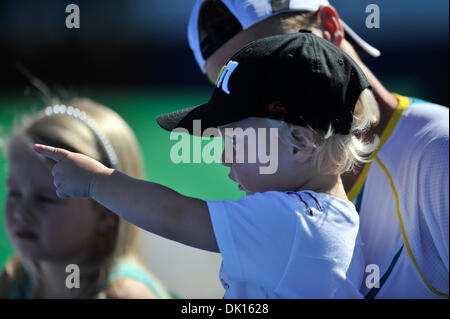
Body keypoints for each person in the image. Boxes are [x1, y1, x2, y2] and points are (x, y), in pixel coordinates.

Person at [33, 31, 379, 298]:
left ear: (299, 144)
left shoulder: (297, 224)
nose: (224, 157)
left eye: (234, 142)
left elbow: (176, 216)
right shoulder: (318, 218)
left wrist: (97, 181)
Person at [187, 0, 449, 298]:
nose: (250, 99)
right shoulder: (277, 185)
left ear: (330, 29)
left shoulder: (440, 151)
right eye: (234, 87)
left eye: (269, 64)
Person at [0, 98, 170, 299]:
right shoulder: (15, 279)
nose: (21, 213)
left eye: (45, 198)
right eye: (15, 193)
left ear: (107, 212)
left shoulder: (124, 294)